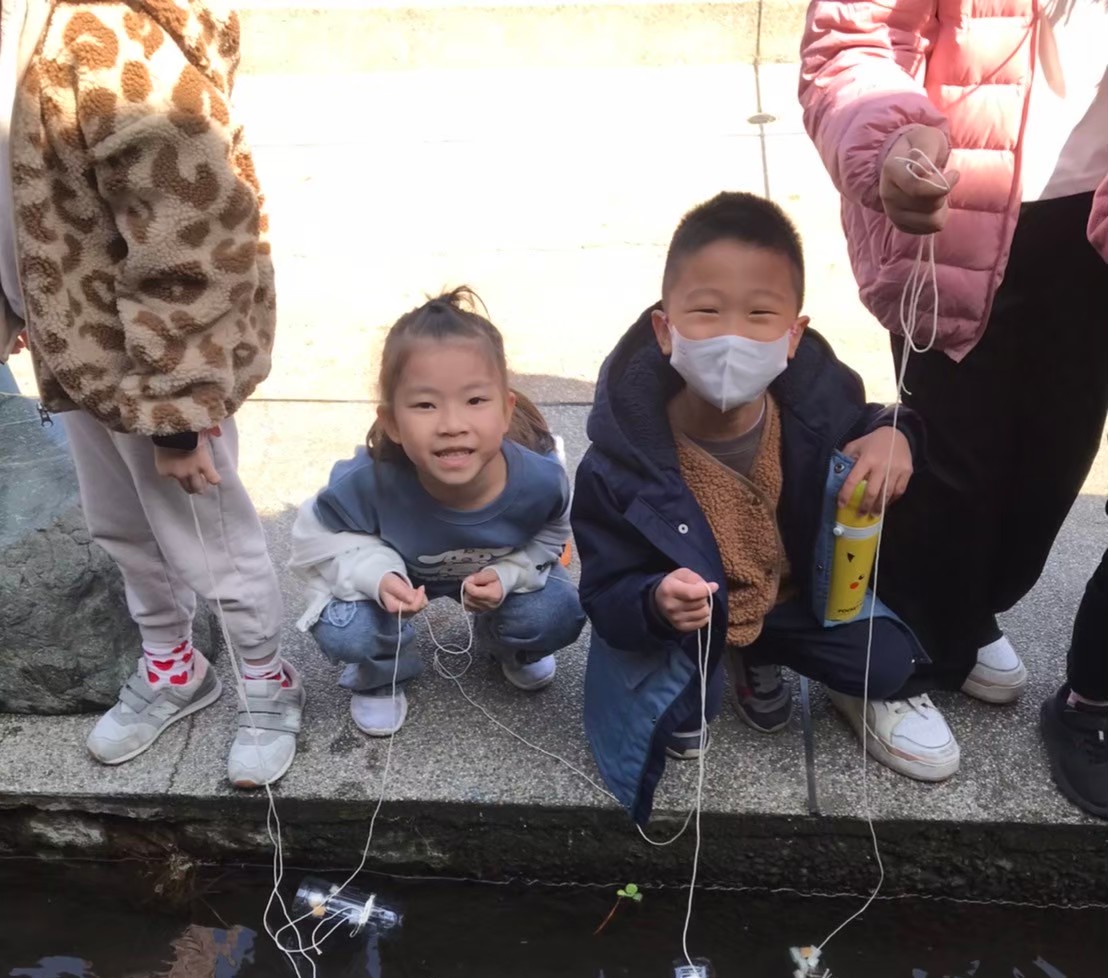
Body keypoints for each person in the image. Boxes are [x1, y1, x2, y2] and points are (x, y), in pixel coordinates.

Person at [800, 0, 1108, 819]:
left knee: (1054, 462)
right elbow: (854, 37)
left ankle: (957, 617)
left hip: (1093, 229)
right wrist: (888, 142)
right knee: (945, 461)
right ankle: (876, 660)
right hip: (954, 211)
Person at [572, 192, 958, 826]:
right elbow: (603, 591)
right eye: (706, 311)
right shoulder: (620, 463)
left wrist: (896, 433)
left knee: (889, 661)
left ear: (792, 334)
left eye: (759, 314)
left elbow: (869, 423)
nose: (732, 336)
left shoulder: (815, 408)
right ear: (665, 329)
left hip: (792, 601)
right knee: (681, 718)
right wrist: (654, 601)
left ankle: (759, 656)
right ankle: (721, 660)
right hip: (696, 621)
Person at [0, 0, 301, 787]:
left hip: (156, 364)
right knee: (122, 527)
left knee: (210, 536)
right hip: (83, 357)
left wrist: (178, 413)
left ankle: (266, 681)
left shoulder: (99, 36)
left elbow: (190, 230)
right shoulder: (18, 34)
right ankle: (174, 664)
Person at [290, 289, 585, 737]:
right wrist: (377, 576)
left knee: (557, 612)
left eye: (475, 400)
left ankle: (507, 643)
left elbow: (551, 536)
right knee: (347, 630)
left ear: (506, 410)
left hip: (490, 576)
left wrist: (508, 575)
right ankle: (382, 667)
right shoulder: (366, 481)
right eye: (425, 405)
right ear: (391, 421)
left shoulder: (542, 480)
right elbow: (314, 542)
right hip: (398, 578)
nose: (451, 424)